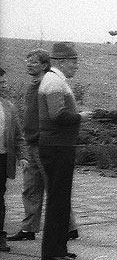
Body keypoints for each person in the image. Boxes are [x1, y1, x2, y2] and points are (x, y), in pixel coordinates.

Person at [7, 49, 79, 243]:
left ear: (45, 65)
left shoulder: (47, 84)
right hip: (31, 142)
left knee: (53, 188)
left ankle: (69, 227)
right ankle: (29, 228)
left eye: (34, 62)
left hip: (44, 143)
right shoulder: (32, 86)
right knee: (30, 188)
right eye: (27, 61)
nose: (29, 64)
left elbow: (52, 115)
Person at [37, 42, 92, 260]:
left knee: (60, 200)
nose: (76, 65)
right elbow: (57, 116)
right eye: (73, 61)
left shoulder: (56, 80)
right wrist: (82, 116)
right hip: (57, 147)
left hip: (59, 146)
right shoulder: (54, 81)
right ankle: (52, 252)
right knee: (58, 201)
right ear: (60, 61)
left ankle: (59, 247)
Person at [0, 66, 29, 252]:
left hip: (2, 159)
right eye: (0, 82)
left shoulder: (8, 108)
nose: (3, 84)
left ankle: (0, 237)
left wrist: (23, 156)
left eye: (3, 81)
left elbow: (18, 136)